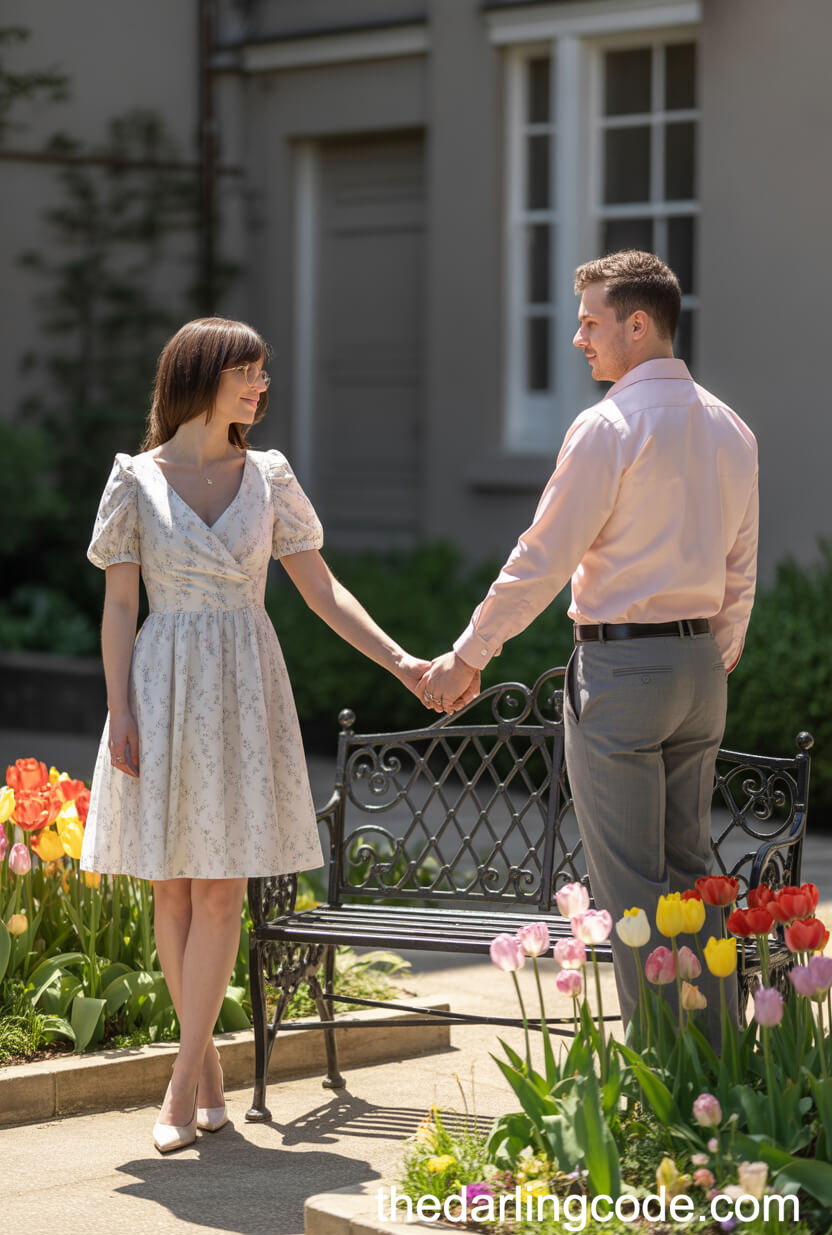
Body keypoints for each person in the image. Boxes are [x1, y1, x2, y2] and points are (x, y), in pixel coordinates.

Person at [80, 317, 429, 1153]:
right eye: (249, 373)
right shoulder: (135, 479)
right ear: (202, 377)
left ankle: (178, 1085)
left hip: (244, 686)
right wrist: (119, 710)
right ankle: (205, 1076)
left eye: (264, 375)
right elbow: (121, 606)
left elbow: (322, 591)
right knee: (172, 885)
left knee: (222, 890)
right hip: (161, 687)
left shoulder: (270, 477)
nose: (262, 387)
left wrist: (404, 663)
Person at [419, 250, 758, 1044]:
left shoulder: (608, 427)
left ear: (639, 325)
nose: (578, 339)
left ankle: (658, 1081)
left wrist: (470, 654)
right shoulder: (731, 427)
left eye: (590, 322)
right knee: (691, 877)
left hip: (623, 669)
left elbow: (542, 556)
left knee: (633, 889)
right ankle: (716, 1066)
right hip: (700, 671)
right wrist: (712, 658)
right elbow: (740, 571)